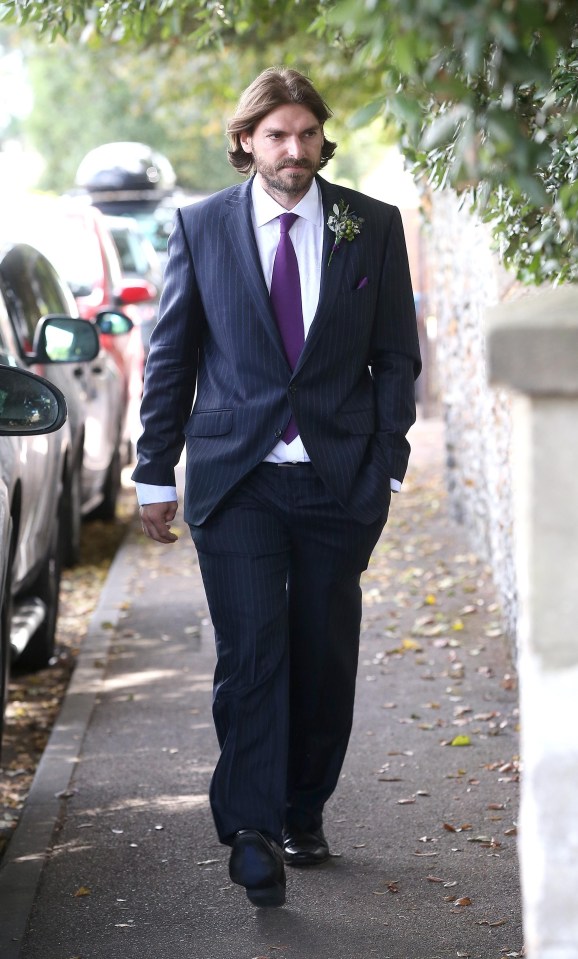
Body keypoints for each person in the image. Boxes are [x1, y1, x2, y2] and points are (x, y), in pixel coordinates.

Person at [133, 67, 421, 909]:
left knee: (322, 656)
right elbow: (170, 358)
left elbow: (396, 356)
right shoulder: (201, 227)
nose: (293, 150)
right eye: (275, 135)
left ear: (321, 138)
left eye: (306, 134)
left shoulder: (371, 225)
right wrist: (154, 471)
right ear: (247, 143)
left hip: (339, 480)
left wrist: (387, 465)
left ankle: (304, 807)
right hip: (238, 479)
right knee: (253, 653)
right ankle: (252, 831)